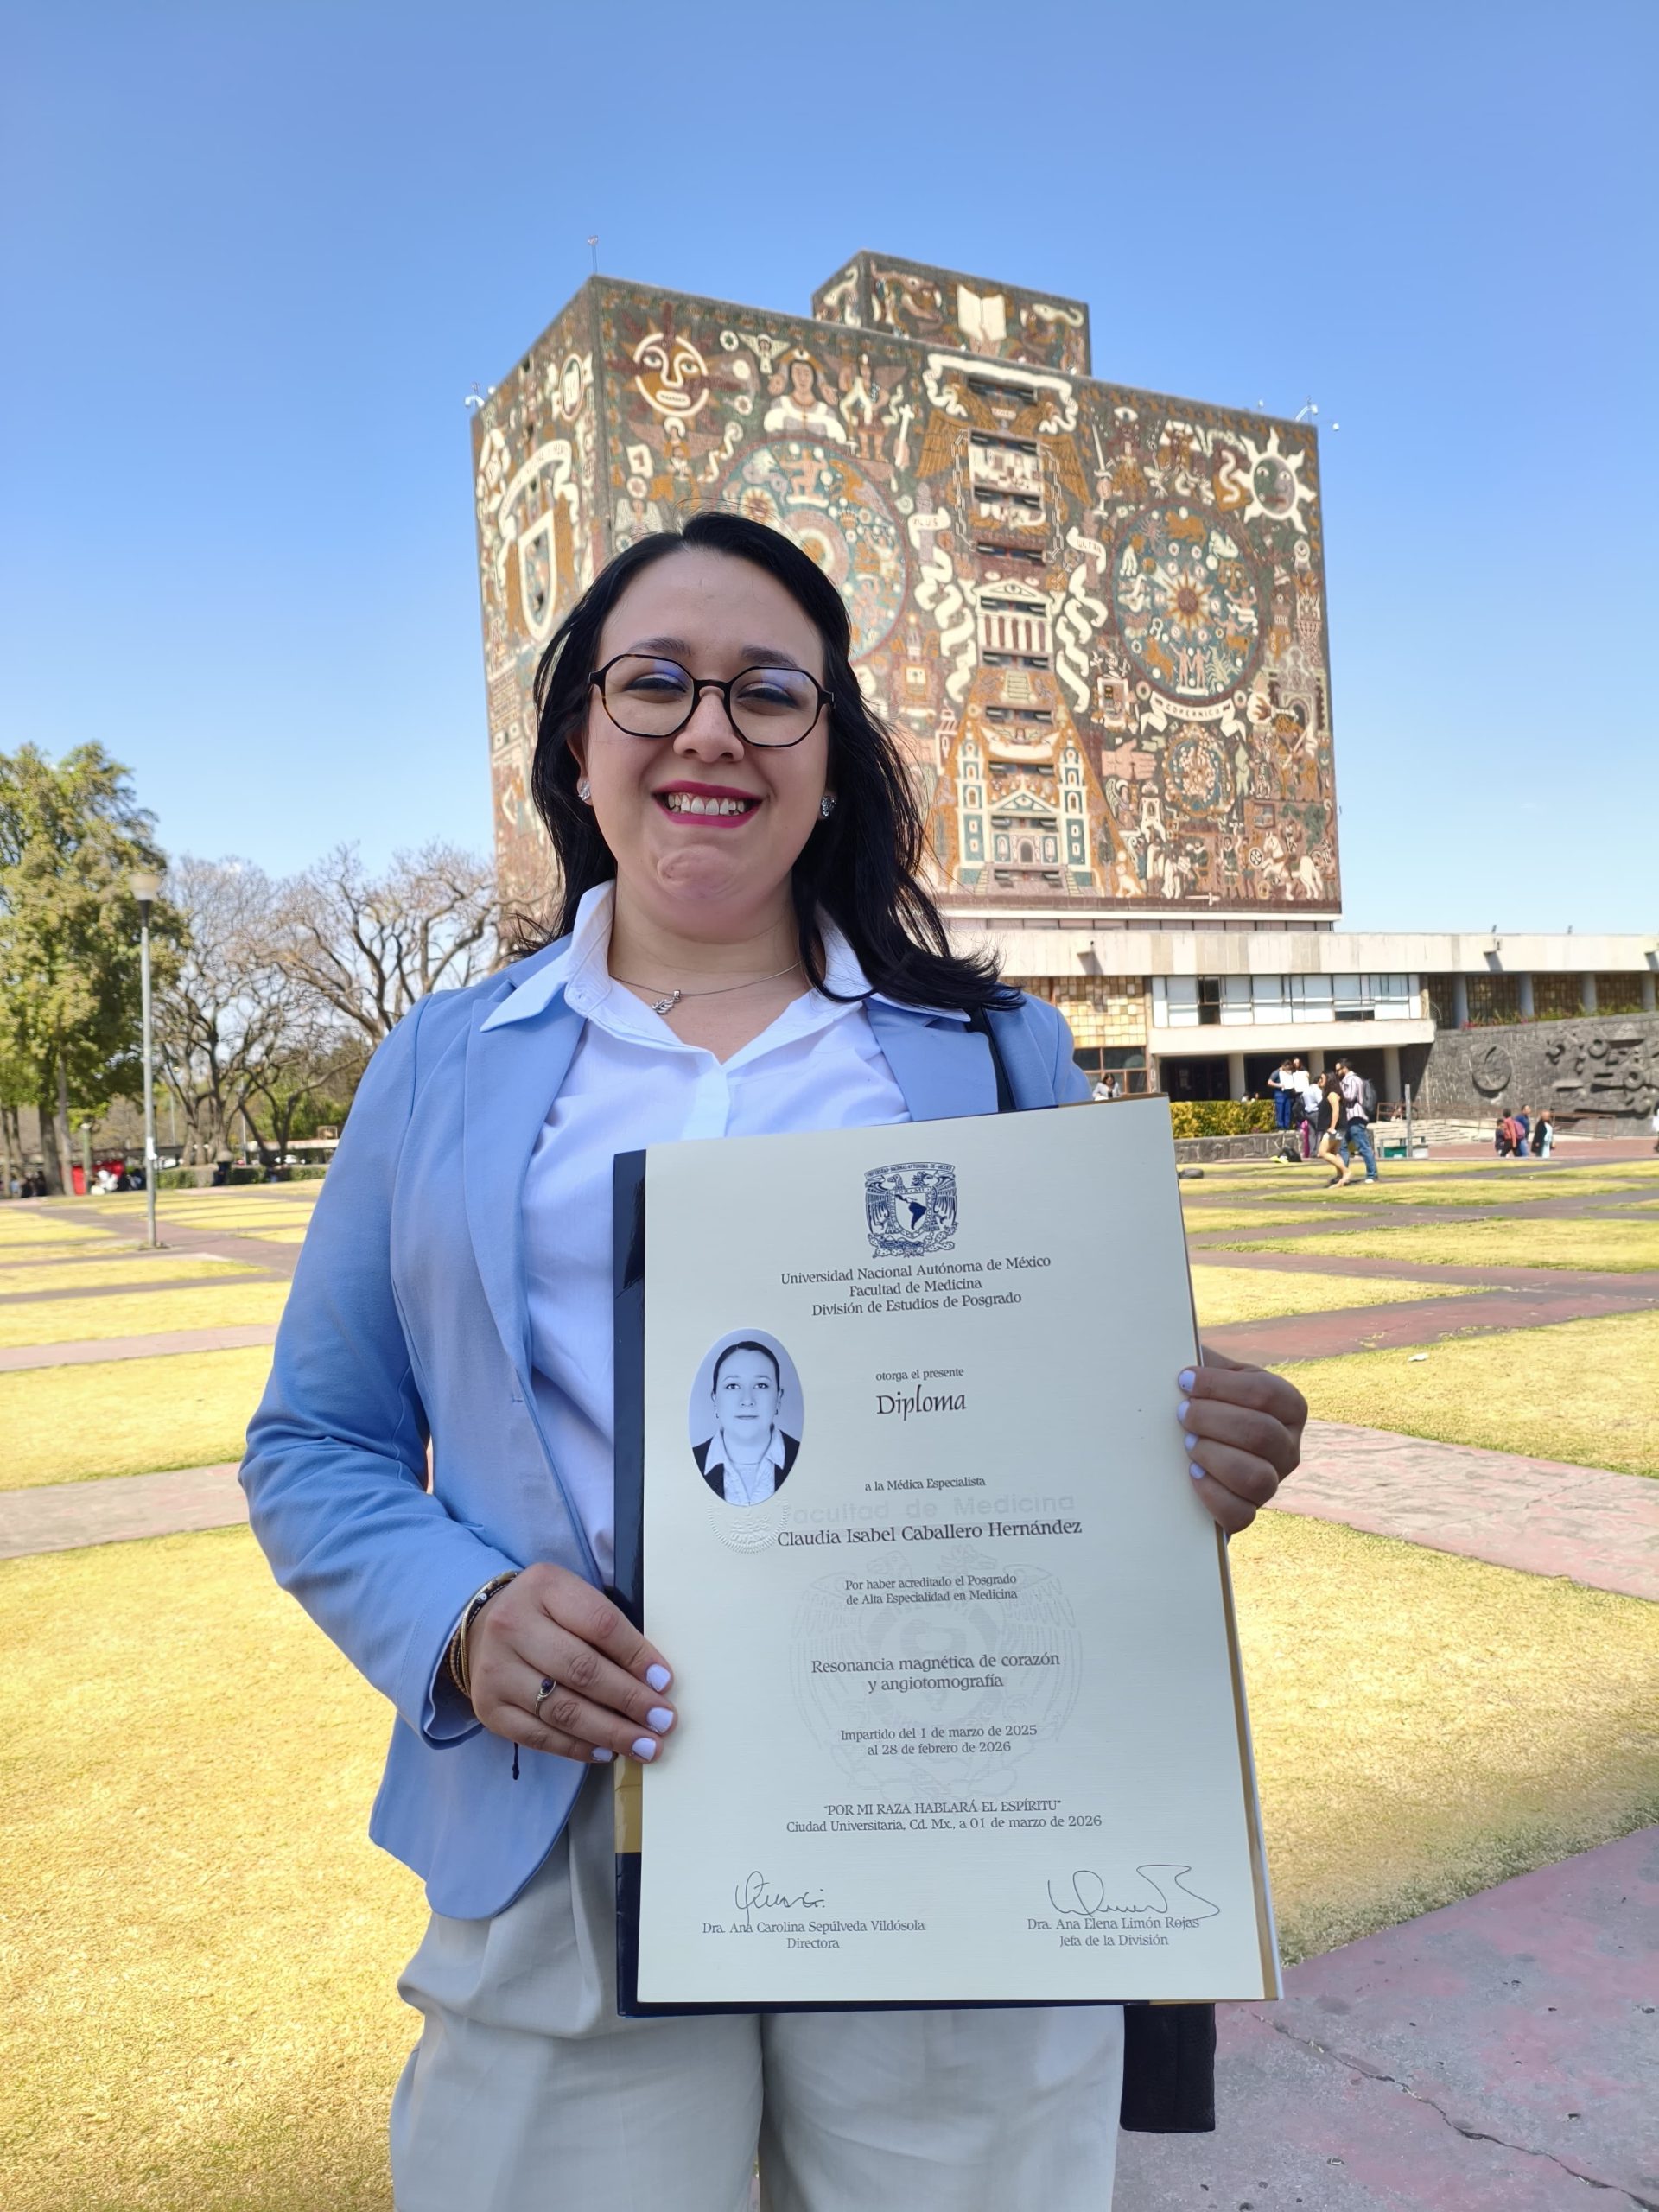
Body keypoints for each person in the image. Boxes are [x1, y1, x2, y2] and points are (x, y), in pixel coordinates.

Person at [239, 510, 1308, 2212]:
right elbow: (316, 1443)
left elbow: (1077, 1416)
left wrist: (1196, 1442)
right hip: (568, 1814)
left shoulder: (994, 1049)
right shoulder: (441, 1066)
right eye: (652, 681)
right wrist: (458, 1614)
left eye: (769, 691)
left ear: (832, 754)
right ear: (576, 744)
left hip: (953, 1802)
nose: (708, 727)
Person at [694, 1339, 799, 1503]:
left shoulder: (805, 1457)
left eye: (761, 1385)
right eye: (733, 1386)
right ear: (714, 1399)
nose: (747, 1400)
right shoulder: (690, 1462)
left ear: (778, 1398)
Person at [1333, 1058, 1380, 1184]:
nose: (1337, 1073)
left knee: (1363, 1147)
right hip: (1351, 1118)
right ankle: (1344, 1173)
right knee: (1343, 1146)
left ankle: (1372, 1174)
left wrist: (1338, 1093)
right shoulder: (1346, 1080)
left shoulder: (1352, 1079)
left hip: (1356, 1117)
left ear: (1344, 1068)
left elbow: (1350, 1096)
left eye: (1338, 1070)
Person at [1315, 1070, 1351, 1187]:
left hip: (1335, 1129)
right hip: (1337, 1129)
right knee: (1333, 1153)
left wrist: (1331, 1127)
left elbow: (1336, 1111)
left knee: (1322, 1152)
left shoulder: (1332, 1094)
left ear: (1329, 1080)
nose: (1320, 1080)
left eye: (1322, 1078)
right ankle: (1341, 1176)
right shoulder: (1329, 1093)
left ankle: (1346, 1172)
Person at [1268, 1056, 1294, 1131]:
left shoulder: (1289, 1073)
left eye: (1289, 1067)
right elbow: (1269, 1082)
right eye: (1286, 1067)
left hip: (1287, 1093)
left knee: (1287, 1110)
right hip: (1280, 1093)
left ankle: (1287, 1126)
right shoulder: (1276, 1073)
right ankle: (1280, 1127)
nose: (1288, 1069)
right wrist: (1278, 1085)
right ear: (1283, 1066)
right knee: (1280, 1110)